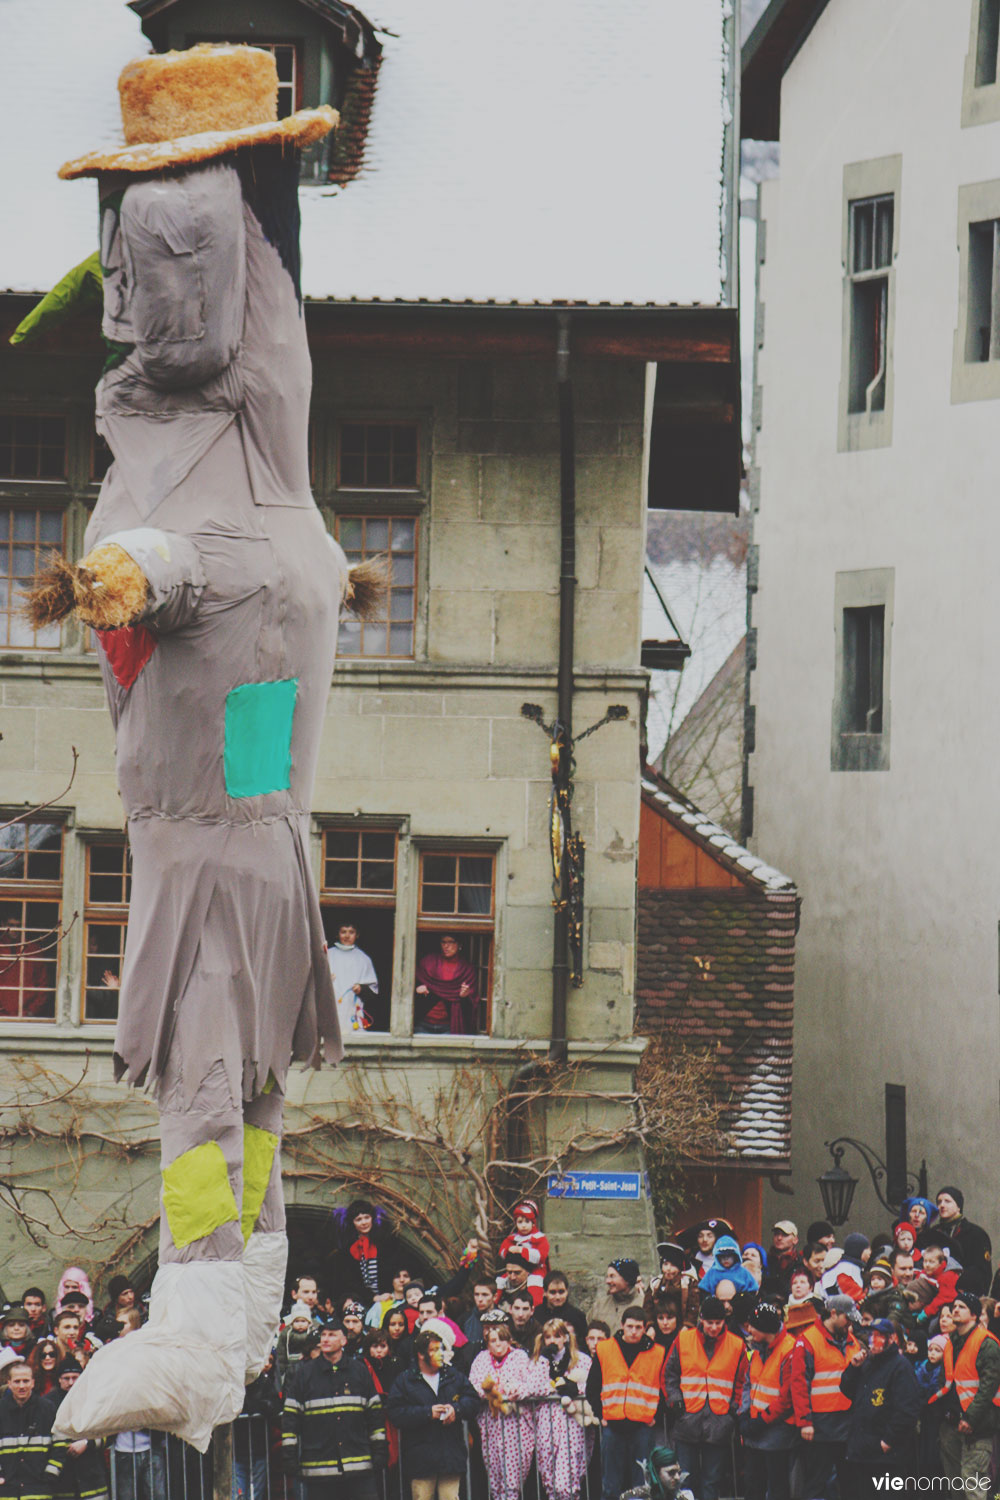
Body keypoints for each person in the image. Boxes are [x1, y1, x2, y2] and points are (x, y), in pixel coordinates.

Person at [282, 1322, 388, 1498]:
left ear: (344, 1340)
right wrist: (289, 1457)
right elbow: (290, 1419)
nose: (325, 1339)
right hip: (319, 1470)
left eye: (332, 1335)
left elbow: (374, 1415)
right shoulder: (304, 1374)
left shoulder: (359, 1371)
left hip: (359, 1468)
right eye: (323, 1335)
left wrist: (379, 1451)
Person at [662, 1294, 746, 1500]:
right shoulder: (683, 1339)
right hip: (687, 1420)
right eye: (710, 1322)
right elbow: (668, 1374)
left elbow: (742, 1381)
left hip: (719, 1422)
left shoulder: (737, 1344)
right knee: (684, 1480)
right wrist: (675, 1401)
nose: (714, 1327)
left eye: (718, 1323)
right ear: (701, 1319)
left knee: (712, 1481)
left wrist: (733, 1409)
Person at [387, 1327, 480, 1500]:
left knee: (450, 1497)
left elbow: (473, 1400)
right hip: (420, 1458)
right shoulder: (405, 1380)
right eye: (434, 1350)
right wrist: (427, 1413)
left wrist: (456, 1409)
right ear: (421, 1355)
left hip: (450, 1454)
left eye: (441, 1349)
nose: (440, 1354)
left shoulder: (454, 1376)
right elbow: (395, 1412)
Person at [586, 1305, 666, 1500]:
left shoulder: (658, 1353)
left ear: (645, 1328)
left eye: (638, 1327)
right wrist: (600, 1414)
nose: (633, 1331)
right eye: (630, 1326)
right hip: (612, 1426)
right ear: (622, 1325)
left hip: (642, 1427)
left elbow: (664, 1388)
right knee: (611, 1484)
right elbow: (593, 1387)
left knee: (642, 1484)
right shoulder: (605, 1349)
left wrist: (655, 1416)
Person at [469, 1313, 549, 1500]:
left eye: (501, 1340)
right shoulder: (481, 1359)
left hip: (516, 1424)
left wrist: (515, 1390)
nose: (497, 1344)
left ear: (509, 1340)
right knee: (494, 1472)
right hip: (490, 1423)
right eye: (493, 1341)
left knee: (512, 1478)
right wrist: (488, 1391)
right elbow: (473, 1384)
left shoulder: (520, 1357)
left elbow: (532, 1384)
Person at [790, 1294, 861, 1499]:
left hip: (846, 1423)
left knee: (848, 1482)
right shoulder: (808, 1342)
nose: (849, 1325)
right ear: (833, 1314)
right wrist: (805, 1422)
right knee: (816, 1483)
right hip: (820, 1425)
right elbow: (799, 1384)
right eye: (847, 1319)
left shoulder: (850, 1340)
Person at [839, 1319, 921, 1492]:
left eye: (878, 1336)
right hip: (862, 1448)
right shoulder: (867, 1362)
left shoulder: (900, 1366)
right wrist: (853, 1368)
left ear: (890, 1339)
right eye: (871, 1335)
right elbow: (847, 1390)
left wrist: (889, 1440)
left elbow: (908, 1409)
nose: (872, 1340)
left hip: (885, 1454)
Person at [934, 1291, 1000, 1484]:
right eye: (954, 1306)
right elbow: (946, 1381)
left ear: (974, 1315)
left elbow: (988, 1386)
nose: (955, 1309)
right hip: (951, 1422)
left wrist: (970, 1418)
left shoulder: (986, 1344)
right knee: (956, 1484)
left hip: (977, 1426)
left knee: (974, 1485)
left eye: (961, 1307)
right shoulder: (951, 1343)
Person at [532, 1319, 593, 1500]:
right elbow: (532, 1387)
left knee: (565, 1483)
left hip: (572, 1423)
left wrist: (575, 1389)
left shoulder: (581, 1359)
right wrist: (544, 1360)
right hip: (546, 1423)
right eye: (548, 1337)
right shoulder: (538, 1361)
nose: (552, 1341)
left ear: (565, 1337)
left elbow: (591, 1386)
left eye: (557, 1336)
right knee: (549, 1480)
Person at [741, 1303, 796, 1500]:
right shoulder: (756, 1349)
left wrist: (760, 1421)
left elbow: (787, 1398)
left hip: (776, 1435)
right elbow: (748, 1382)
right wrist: (745, 1413)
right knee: (753, 1487)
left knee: (777, 1489)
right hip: (756, 1431)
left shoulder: (789, 1350)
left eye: (753, 1326)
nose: (749, 1330)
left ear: (765, 1329)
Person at [0, 1360, 65, 1498]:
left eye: (26, 1381)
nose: (22, 1386)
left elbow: (60, 1444)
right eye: (17, 1381)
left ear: (33, 1383)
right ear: (9, 1383)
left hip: (39, 1490)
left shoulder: (48, 1409)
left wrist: (51, 1474)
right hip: (7, 1491)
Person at [48, 1356, 110, 1500]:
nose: (71, 1382)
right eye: (66, 1378)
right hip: (62, 1479)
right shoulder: (48, 1403)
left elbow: (110, 1432)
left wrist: (87, 1443)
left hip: (92, 1477)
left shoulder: (94, 1399)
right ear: (59, 1379)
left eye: (75, 1377)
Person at [234, 1353, 281, 1500]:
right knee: (239, 1493)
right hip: (239, 1446)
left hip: (259, 1444)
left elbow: (274, 1407)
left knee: (256, 1493)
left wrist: (257, 1406)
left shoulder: (264, 1382)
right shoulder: (236, 1382)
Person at [414, 934, 479, 1035]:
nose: (446, 946)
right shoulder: (428, 962)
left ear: (459, 945)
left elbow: (472, 1007)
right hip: (423, 1024)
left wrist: (465, 997)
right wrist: (417, 989)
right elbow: (409, 984)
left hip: (450, 1027)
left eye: (450, 942)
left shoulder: (466, 970)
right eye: (443, 942)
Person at [935, 1186, 993, 1295]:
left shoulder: (976, 1234)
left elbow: (982, 1272)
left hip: (964, 1295)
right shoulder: (934, 1233)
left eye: (947, 1201)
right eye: (939, 1202)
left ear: (958, 1206)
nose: (942, 1205)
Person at [326, 924, 378, 1037]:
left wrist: (361, 989)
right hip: (330, 1007)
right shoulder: (328, 955)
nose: (347, 936)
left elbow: (373, 991)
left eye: (351, 932)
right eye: (343, 932)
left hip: (352, 1009)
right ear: (337, 934)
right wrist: (325, 982)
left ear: (357, 935)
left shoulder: (363, 959)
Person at [497, 1199, 550, 1301]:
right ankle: (494, 1304)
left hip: (536, 1268)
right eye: (520, 1222)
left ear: (533, 1223)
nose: (524, 1225)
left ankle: (535, 1307)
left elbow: (541, 1256)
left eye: (527, 1221)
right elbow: (502, 1252)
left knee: (535, 1282)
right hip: (516, 1267)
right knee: (500, 1281)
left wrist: (522, 1251)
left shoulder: (540, 1238)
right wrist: (509, 1250)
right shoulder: (512, 1238)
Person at [645, 1242, 700, 1329]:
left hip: (682, 1327)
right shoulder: (655, 1284)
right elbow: (647, 1307)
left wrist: (687, 1325)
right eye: (665, 1264)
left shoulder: (688, 1283)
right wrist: (650, 1326)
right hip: (659, 1327)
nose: (668, 1269)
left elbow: (693, 1308)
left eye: (673, 1265)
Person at [589, 1259, 644, 1332]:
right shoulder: (600, 1305)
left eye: (612, 1276)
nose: (607, 1281)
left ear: (627, 1279)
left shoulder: (644, 1304)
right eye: (607, 1277)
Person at [276, 1301, 321, 1391]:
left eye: (303, 1321)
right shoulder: (286, 1334)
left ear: (309, 1322)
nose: (300, 1324)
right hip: (290, 1365)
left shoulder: (313, 1334)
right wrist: (281, 1368)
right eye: (297, 1321)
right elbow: (281, 1352)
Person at [819, 1233, 869, 1303]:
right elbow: (854, 1299)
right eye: (867, 1249)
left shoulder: (847, 1268)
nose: (869, 1252)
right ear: (859, 1250)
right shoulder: (847, 1270)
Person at [463, 1279, 497, 1352]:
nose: (480, 1299)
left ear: (495, 1297)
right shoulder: (465, 1319)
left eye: (485, 1295)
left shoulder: (505, 1319)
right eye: (477, 1294)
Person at [768, 1222, 800, 1299]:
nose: (779, 1238)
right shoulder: (766, 1260)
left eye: (785, 1235)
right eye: (776, 1234)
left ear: (795, 1240)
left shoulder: (800, 1262)